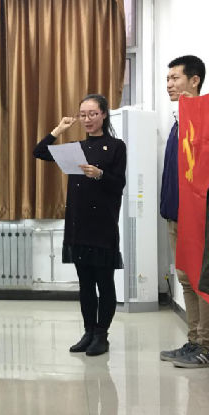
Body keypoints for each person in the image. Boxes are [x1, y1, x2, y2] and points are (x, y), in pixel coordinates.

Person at [34, 94, 127, 356]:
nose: (87, 119)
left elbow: (119, 184)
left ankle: (101, 335)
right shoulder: (75, 148)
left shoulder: (116, 146)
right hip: (78, 223)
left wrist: (100, 174)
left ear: (104, 114)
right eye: (83, 114)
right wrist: (58, 130)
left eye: (93, 114)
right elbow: (39, 152)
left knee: (104, 282)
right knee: (85, 283)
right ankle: (88, 331)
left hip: (103, 224)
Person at [159, 56, 209, 368]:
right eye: (167, 79)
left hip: (198, 218)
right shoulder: (178, 120)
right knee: (185, 278)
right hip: (175, 215)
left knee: (202, 280)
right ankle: (194, 339)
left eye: (175, 78)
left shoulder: (206, 121)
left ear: (194, 80)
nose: (169, 84)